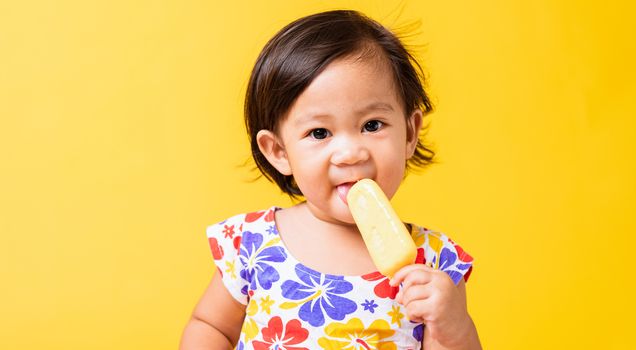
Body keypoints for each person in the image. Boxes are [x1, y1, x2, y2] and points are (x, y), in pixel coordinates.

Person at [180, 9, 481, 350]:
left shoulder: (433, 263)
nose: (350, 152)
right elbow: (210, 326)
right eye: (320, 132)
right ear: (278, 151)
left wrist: (452, 325)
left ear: (410, 133)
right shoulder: (253, 245)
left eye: (372, 125)